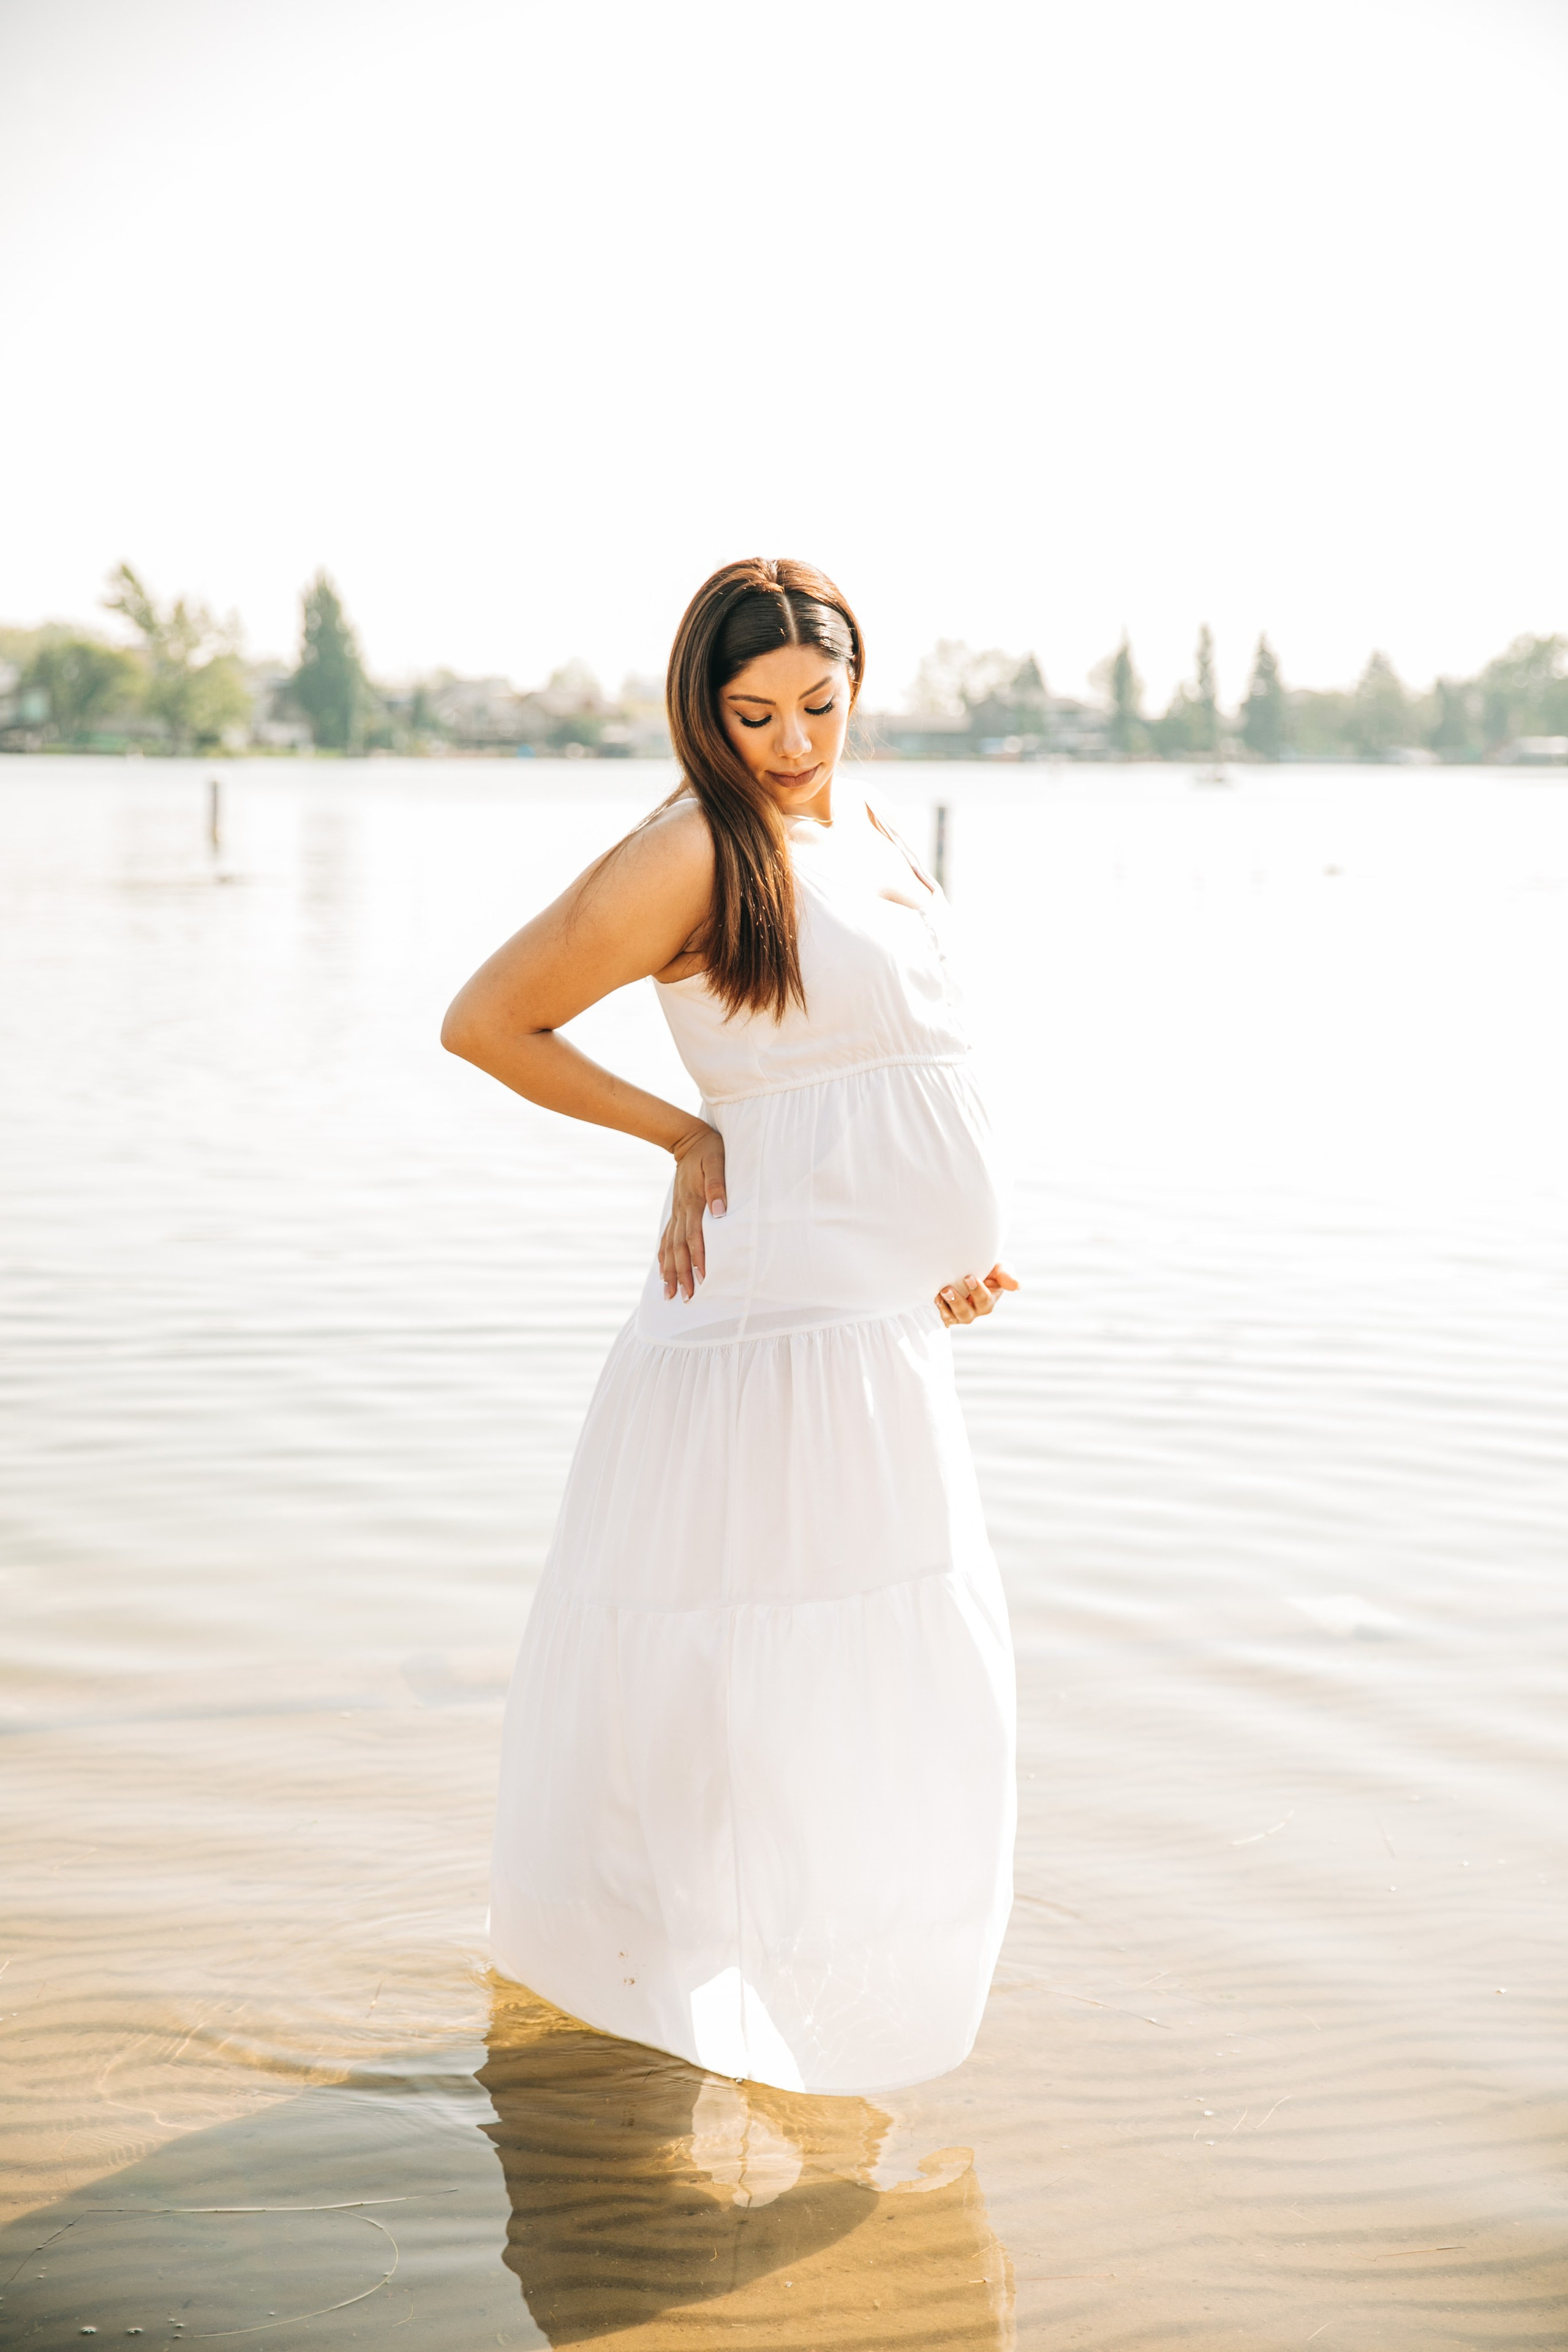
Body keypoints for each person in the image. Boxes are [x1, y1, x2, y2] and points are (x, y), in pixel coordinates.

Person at [442, 557, 1016, 2096]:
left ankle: (813, 2004)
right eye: (752, 713)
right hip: (759, 1343)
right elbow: (488, 1019)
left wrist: (942, 1248)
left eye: (819, 707)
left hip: (876, 1334)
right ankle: (642, 2022)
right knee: (725, 1688)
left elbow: (892, 1073)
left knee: (874, 1683)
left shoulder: (870, 829)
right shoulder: (690, 848)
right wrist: (685, 1139)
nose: (789, 743)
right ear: (701, 708)